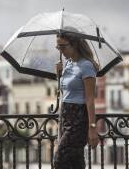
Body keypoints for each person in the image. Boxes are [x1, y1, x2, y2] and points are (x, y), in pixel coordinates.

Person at [53, 30, 100, 169]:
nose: (61, 51)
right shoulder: (67, 64)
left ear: (74, 45)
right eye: (58, 47)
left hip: (78, 117)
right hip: (65, 114)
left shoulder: (86, 65)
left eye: (63, 47)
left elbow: (90, 99)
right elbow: (65, 91)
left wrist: (92, 128)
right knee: (75, 162)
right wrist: (58, 75)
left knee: (59, 160)